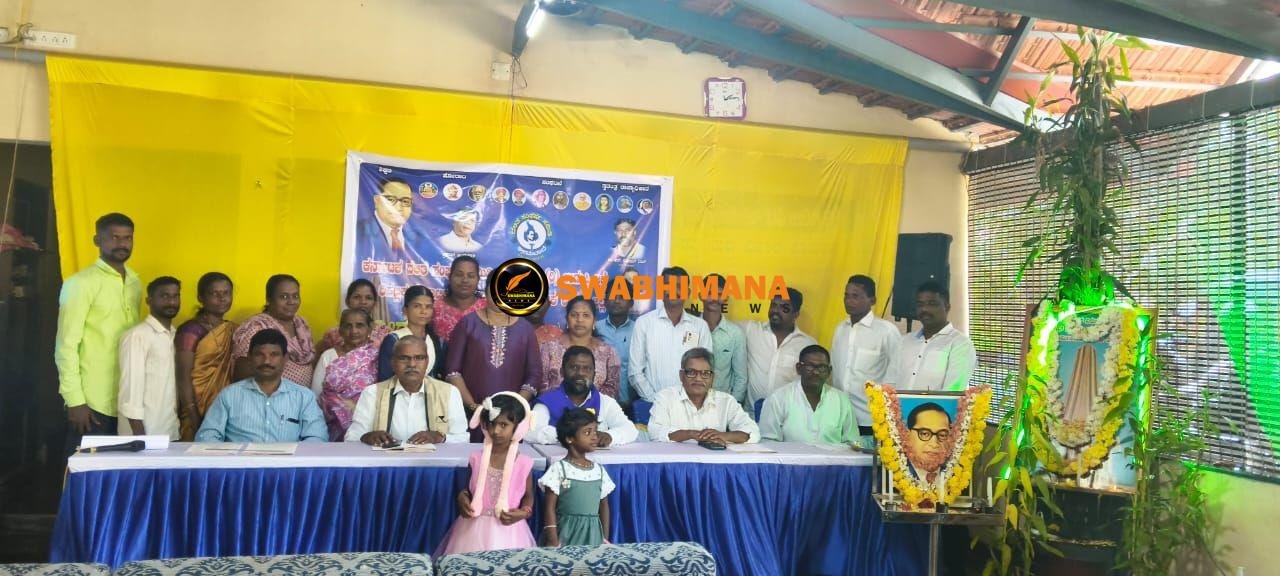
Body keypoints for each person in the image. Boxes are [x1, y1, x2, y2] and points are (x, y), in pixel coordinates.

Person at [55, 213, 142, 450]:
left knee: (119, 469)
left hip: (125, 399)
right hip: (91, 402)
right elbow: (65, 346)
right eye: (114, 237)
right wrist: (75, 401)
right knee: (84, 466)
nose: (122, 244)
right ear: (97, 240)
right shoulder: (80, 283)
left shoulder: (135, 282)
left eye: (127, 238)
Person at [436, 393, 537, 555]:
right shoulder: (476, 458)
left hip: (509, 531)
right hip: (472, 528)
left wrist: (524, 512)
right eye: (491, 424)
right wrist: (463, 497)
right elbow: (468, 490)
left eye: (503, 425)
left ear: (518, 428)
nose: (496, 431)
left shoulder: (524, 463)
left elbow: (528, 496)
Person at [196, 329, 327, 443]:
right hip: (241, 464)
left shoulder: (304, 397)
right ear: (249, 357)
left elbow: (317, 438)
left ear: (285, 358)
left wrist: (291, 460)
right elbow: (206, 436)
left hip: (287, 464)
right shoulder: (229, 395)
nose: (266, 361)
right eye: (259, 354)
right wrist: (230, 458)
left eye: (274, 355)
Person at [445, 298, 542, 440]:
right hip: (471, 416)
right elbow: (452, 371)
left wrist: (515, 408)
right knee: (472, 452)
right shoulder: (468, 323)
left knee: (507, 453)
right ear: (486, 293)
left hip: (511, 421)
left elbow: (535, 374)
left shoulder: (525, 329)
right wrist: (474, 407)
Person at [346, 336, 469, 445]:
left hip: (432, 463)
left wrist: (440, 437)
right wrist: (367, 437)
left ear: (427, 362)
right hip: (387, 463)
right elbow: (352, 438)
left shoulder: (449, 393)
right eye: (404, 358)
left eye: (419, 358)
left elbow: (463, 438)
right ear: (393, 363)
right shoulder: (372, 393)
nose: (412, 364)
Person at [629, 266, 713, 409]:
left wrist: (689, 400)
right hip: (653, 406)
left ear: (688, 292)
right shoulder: (644, 323)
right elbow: (635, 372)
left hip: (691, 406)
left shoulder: (700, 326)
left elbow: (705, 371)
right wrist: (657, 401)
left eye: (679, 286)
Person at [830, 275, 902, 433]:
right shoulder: (840, 329)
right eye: (846, 295)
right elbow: (834, 371)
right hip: (839, 416)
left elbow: (897, 373)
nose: (849, 301)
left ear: (872, 300)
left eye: (855, 296)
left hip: (870, 418)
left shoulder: (886, 331)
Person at [529, 346, 637, 446]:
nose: (580, 373)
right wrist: (569, 435)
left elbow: (630, 430)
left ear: (594, 374)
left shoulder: (605, 402)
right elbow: (531, 431)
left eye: (586, 369)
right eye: (574, 367)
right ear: (562, 372)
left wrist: (610, 436)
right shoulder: (547, 402)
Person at [648, 348, 759, 445]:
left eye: (705, 373)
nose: (698, 378)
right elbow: (655, 432)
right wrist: (690, 434)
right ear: (681, 375)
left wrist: (723, 436)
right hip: (676, 461)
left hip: (713, 461)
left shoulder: (726, 401)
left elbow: (753, 432)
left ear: (712, 377)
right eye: (691, 372)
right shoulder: (665, 397)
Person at [116, 276, 182, 439]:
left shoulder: (174, 335)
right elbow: (130, 390)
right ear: (149, 300)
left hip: (170, 430)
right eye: (164, 296)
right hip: (144, 433)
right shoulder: (137, 336)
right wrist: (140, 438)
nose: (171, 302)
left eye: (175, 296)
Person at [175, 272, 237, 440]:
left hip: (225, 406)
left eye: (226, 293)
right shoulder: (190, 330)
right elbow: (183, 378)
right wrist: (194, 417)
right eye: (214, 293)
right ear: (201, 298)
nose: (222, 298)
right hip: (195, 408)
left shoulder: (233, 329)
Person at [540, 408, 614, 547]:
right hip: (566, 534)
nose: (594, 437)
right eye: (587, 432)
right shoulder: (559, 469)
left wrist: (604, 538)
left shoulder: (599, 471)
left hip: (592, 536)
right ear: (570, 438)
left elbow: (604, 506)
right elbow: (549, 507)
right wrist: (552, 539)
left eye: (595, 431)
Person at [759, 345, 858, 445]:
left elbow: (853, 442)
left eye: (822, 367)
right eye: (810, 366)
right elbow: (768, 442)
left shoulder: (841, 401)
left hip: (833, 456)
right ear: (799, 368)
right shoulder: (778, 398)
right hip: (791, 455)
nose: (816, 372)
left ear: (829, 371)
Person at [743, 288, 817, 415]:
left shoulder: (808, 344)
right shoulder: (751, 330)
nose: (776, 310)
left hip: (787, 419)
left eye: (784, 308)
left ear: (796, 314)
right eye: (773, 305)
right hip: (750, 418)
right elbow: (719, 326)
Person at [232, 274, 316, 386]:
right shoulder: (257, 327)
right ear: (269, 299)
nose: (291, 301)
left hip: (301, 394)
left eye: (295, 296)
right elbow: (242, 371)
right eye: (284, 297)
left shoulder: (301, 324)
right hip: (268, 394)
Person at [892, 282, 977, 391]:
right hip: (897, 403)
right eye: (920, 304)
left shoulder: (960, 344)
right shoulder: (904, 341)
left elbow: (953, 392)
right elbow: (890, 382)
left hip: (937, 404)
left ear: (947, 307)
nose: (924, 309)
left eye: (932, 304)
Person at [311, 309, 379, 440]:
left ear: (370, 329)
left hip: (369, 426)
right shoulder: (328, 356)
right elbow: (316, 394)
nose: (354, 331)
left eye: (360, 325)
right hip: (332, 426)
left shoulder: (377, 356)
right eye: (348, 326)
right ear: (340, 330)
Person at [537, 297, 621, 398]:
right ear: (567, 319)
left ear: (594, 321)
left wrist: (586, 404)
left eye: (586, 315)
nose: (580, 320)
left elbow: (612, 389)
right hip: (554, 405)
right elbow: (542, 386)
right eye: (574, 315)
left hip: (596, 407)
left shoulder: (609, 352)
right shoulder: (549, 348)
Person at [377, 285, 446, 381]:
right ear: (405, 310)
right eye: (417, 306)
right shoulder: (394, 339)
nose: (423, 311)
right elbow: (385, 378)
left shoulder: (436, 341)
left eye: (428, 307)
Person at [702, 273, 747, 406]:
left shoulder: (735, 334)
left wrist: (731, 408)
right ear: (700, 295)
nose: (715, 298)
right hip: (688, 405)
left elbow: (741, 377)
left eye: (720, 294)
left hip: (721, 405)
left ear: (726, 298)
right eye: (710, 293)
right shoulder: (689, 328)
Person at [317, 279, 391, 356]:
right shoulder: (333, 334)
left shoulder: (386, 334)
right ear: (347, 301)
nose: (363, 302)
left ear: (374, 303)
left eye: (368, 298)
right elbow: (323, 359)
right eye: (357, 297)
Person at [359, 177, 425, 261]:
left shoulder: (419, 238)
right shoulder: (359, 231)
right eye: (390, 200)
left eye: (405, 201)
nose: (398, 208)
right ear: (377, 200)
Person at [596, 280, 635, 406]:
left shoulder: (639, 330)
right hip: (600, 402)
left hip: (632, 402)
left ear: (631, 302)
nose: (617, 301)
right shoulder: (595, 329)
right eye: (613, 296)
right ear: (605, 301)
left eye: (622, 297)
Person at [433, 256, 487, 345]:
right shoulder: (435, 309)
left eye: (471, 276)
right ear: (450, 277)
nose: (465, 280)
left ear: (478, 279)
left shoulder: (487, 308)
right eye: (459, 275)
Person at [904, 402, 953, 483]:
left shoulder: (957, 473)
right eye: (924, 434)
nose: (934, 444)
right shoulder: (890, 476)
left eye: (942, 435)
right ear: (907, 435)